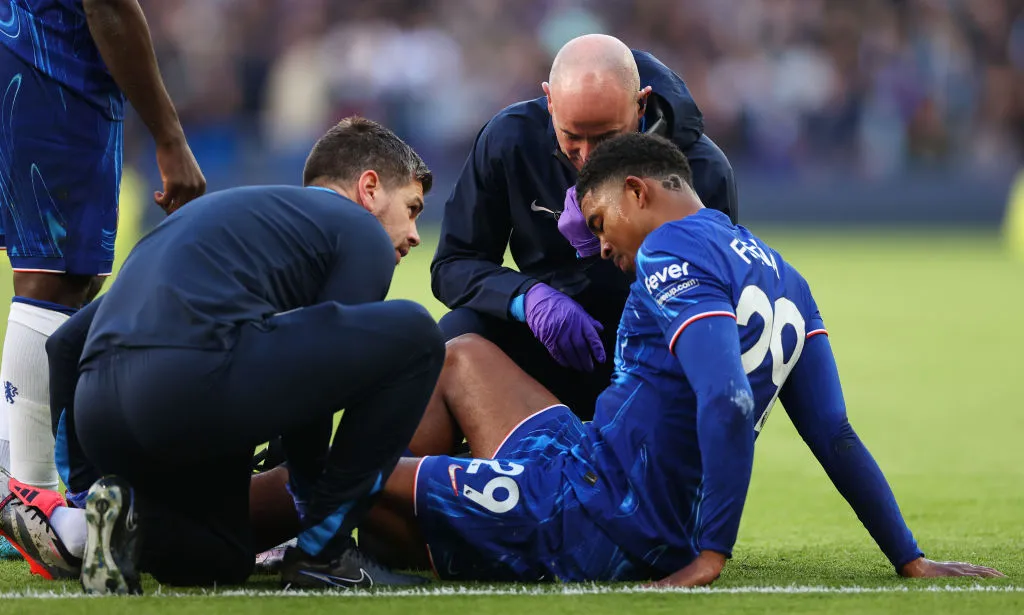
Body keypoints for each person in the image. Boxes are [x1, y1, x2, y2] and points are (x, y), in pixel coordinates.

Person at [358, 133, 1003, 585]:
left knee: (353, 472)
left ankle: (284, 532)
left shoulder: (671, 251)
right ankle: (374, 528)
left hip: (595, 515)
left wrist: (713, 554)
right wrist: (908, 556)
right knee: (464, 353)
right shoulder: (787, 276)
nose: (600, 247)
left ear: (637, 192)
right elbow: (834, 433)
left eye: (602, 223)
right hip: (613, 480)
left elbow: (726, 399)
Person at [0, 117, 443, 592]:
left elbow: (64, 345)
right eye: (412, 208)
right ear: (369, 189)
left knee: (219, 561)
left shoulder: (223, 218)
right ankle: (326, 556)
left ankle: (101, 526)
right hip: (195, 383)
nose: (415, 234)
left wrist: (86, 489)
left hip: (103, 410)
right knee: (417, 334)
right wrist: (312, 503)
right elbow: (329, 377)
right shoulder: (359, 230)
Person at [428, 34, 737, 423]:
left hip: (652, 352)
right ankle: (443, 475)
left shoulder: (699, 169)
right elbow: (453, 265)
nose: (588, 157)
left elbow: (709, 303)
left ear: (640, 104)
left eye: (607, 137)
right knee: (455, 336)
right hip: (548, 341)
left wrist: (598, 252)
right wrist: (528, 298)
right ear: (550, 101)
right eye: (572, 136)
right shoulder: (510, 140)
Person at [0, 0, 205, 502]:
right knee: (54, 275)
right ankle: (29, 497)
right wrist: (169, 136)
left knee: (77, 278)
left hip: (31, 50)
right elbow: (108, 4)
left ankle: (17, 482)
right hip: (46, 61)